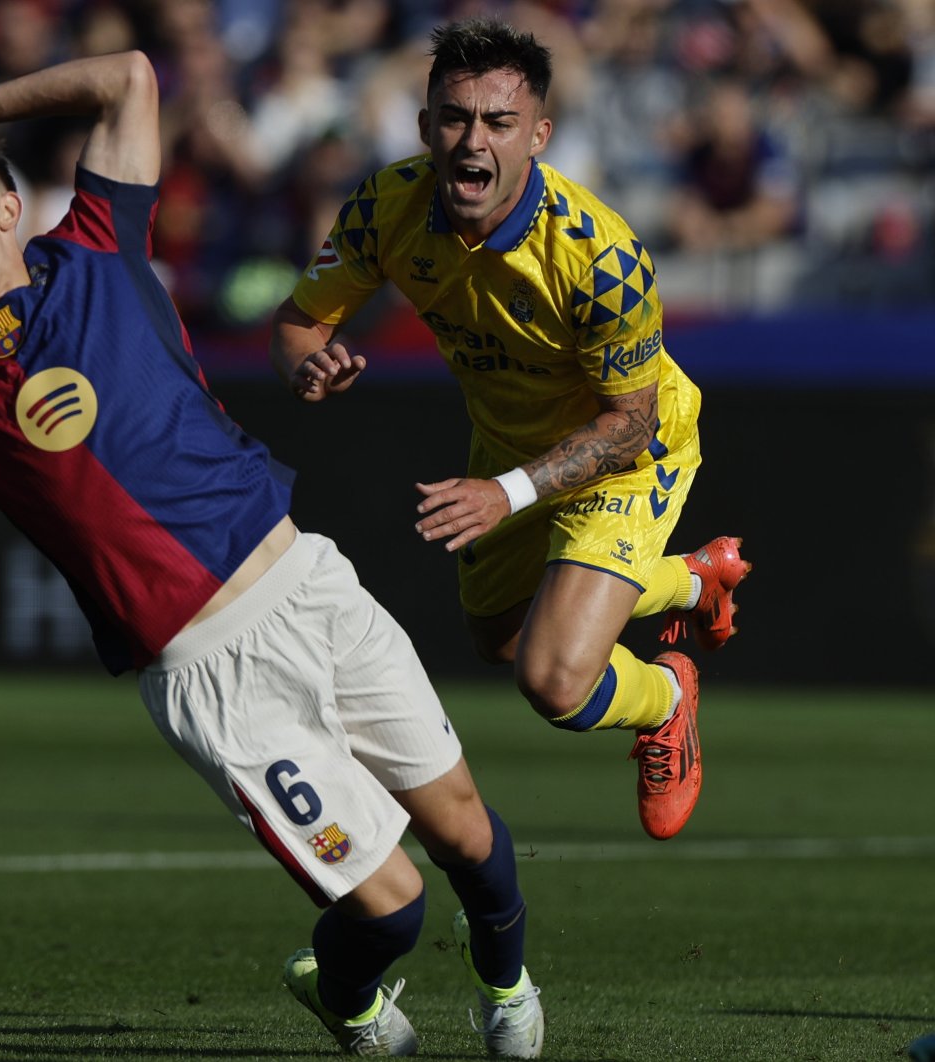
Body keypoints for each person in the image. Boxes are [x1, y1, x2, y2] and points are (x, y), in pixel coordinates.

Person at [0, 50, 544, 1060]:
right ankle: (342, 996)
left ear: (6, 206)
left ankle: (504, 978)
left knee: (468, 836)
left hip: (305, 582)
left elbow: (127, 77)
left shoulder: (96, 247)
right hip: (209, 672)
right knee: (389, 911)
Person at [270, 18, 752, 843]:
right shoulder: (389, 203)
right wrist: (310, 365)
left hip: (627, 453)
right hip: (506, 446)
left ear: (538, 135)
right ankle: (690, 582)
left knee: (554, 680)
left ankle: (668, 698)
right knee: (498, 641)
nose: (473, 142)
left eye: (498, 123)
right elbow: (299, 320)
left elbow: (628, 424)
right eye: (454, 118)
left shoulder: (599, 253)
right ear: (425, 128)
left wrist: (509, 492)